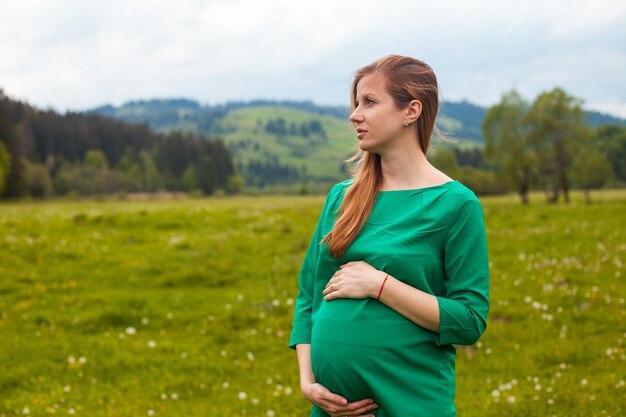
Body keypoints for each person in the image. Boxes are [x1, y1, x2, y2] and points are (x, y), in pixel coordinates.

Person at [288, 54, 490, 417]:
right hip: (333, 410)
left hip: (411, 403)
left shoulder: (456, 205)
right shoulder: (342, 197)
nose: (354, 115)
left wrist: (379, 284)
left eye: (369, 102)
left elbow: (470, 319)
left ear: (410, 111)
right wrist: (308, 381)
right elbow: (309, 295)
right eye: (355, 103)